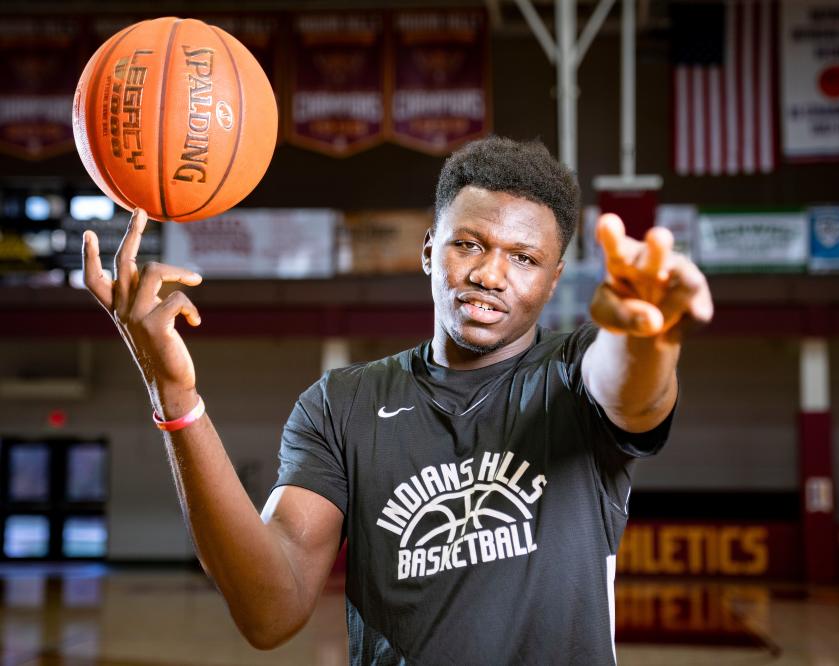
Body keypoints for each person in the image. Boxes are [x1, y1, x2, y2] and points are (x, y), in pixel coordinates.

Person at [82, 136, 713, 664]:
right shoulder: (342, 404)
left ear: (552, 281)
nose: (490, 274)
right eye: (469, 244)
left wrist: (648, 334)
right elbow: (270, 612)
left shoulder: (573, 376)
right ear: (428, 251)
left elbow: (630, 385)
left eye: (524, 258)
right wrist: (175, 393)